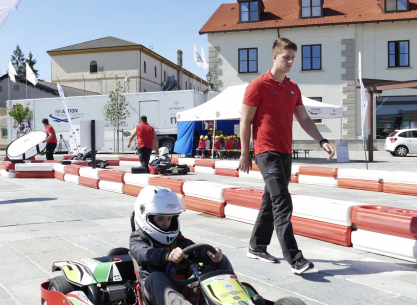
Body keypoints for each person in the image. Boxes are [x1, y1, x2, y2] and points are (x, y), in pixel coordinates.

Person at [238, 38, 335, 275]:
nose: (290, 61)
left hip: (284, 151)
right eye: (286, 57)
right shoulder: (257, 85)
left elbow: (303, 119)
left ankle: (257, 246)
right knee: (282, 200)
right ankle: (294, 258)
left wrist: (321, 140)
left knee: (270, 200)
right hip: (266, 151)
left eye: (293, 57)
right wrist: (245, 152)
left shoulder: (293, 88)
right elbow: (245, 120)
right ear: (274, 56)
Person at [130, 186, 233, 305]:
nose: (166, 224)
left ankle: (233, 298)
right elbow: (143, 254)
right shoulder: (137, 238)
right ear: (146, 217)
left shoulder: (177, 238)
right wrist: (167, 256)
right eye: (160, 219)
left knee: (220, 259)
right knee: (156, 277)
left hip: (182, 285)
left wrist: (208, 254)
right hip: (155, 292)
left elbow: (193, 249)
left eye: (169, 219)